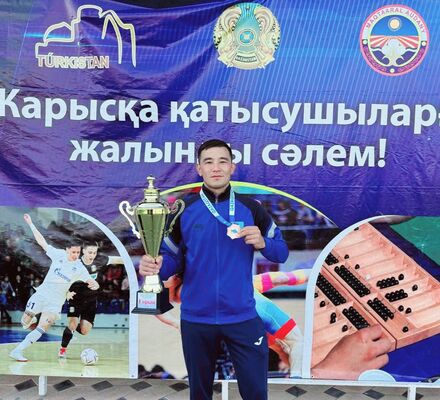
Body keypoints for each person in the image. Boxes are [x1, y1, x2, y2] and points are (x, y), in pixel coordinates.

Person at [139, 139, 289, 400]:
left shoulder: (252, 208)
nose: (216, 167)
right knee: (200, 394)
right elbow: (171, 260)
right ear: (199, 168)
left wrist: (264, 242)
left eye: (222, 161)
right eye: (208, 162)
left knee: (256, 394)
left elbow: (282, 252)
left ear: (232, 167)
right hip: (197, 319)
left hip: (242, 317)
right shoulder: (184, 209)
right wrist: (157, 266)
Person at [9, 214, 99, 362]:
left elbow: (90, 280)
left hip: (55, 303)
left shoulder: (79, 268)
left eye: (78, 252)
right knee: (25, 321)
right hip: (42, 295)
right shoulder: (58, 255)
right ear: (67, 250)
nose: (76, 255)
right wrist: (31, 224)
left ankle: (17, 351)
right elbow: (41, 242)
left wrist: (94, 284)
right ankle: (29, 320)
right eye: (73, 252)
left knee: (43, 327)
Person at [58, 241, 124, 358]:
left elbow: (118, 259)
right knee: (73, 324)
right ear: (83, 251)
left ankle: (71, 329)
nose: (92, 255)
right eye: (90, 252)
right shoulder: (74, 263)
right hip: (75, 299)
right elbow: (62, 279)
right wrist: (67, 292)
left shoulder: (100, 260)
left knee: (84, 331)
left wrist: (133, 260)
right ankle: (63, 349)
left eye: (94, 253)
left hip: (91, 301)